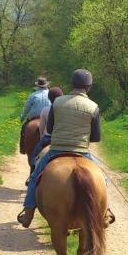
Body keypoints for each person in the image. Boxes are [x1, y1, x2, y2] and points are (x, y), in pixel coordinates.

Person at [18, 69, 103, 228]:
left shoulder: (57, 103)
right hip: (82, 151)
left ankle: (28, 213)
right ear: (89, 86)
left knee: (35, 177)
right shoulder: (94, 107)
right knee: (102, 179)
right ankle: (105, 213)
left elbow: (49, 128)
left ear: (72, 84)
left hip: (56, 149)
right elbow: (96, 137)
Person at [30, 86, 63, 168]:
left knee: (34, 156)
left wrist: (42, 139)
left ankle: (32, 176)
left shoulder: (45, 109)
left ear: (49, 98)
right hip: (61, 138)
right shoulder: (64, 109)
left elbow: (41, 128)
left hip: (47, 138)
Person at [19, 77, 50, 154]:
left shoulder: (33, 95)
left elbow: (27, 108)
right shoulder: (50, 94)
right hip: (48, 119)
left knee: (23, 130)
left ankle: (22, 148)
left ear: (38, 86)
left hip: (34, 118)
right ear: (46, 85)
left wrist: (22, 117)